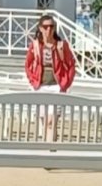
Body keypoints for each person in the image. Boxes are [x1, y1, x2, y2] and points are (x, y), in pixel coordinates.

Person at [23, 12, 77, 141]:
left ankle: (50, 148)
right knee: (44, 120)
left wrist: (66, 83)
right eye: (46, 27)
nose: (49, 30)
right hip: (40, 85)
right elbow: (28, 64)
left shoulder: (61, 45)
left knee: (52, 121)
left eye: (52, 26)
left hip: (57, 86)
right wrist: (32, 80)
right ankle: (46, 147)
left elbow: (71, 65)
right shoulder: (35, 45)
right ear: (40, 28)